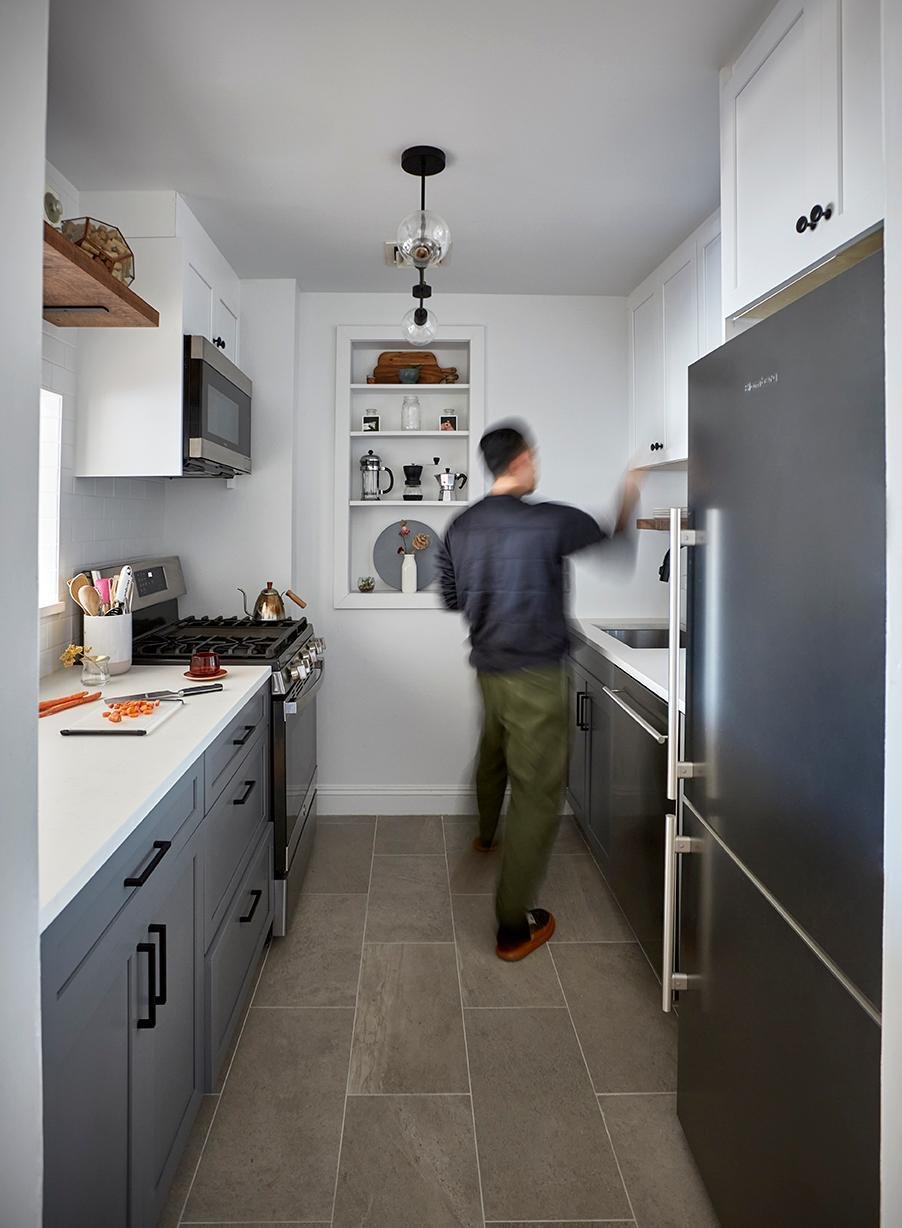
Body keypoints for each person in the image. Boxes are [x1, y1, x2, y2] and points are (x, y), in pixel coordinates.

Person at [436, 422, 641, 961]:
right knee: (538, 793)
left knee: (494, 751)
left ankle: (484, 835)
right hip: (537, 675)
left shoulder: (459, 526)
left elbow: (452, 598)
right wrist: (632, 489)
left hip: (488, 666)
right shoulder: (550, 521)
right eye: (536, 457)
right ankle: (512, 926)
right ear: (523, 459)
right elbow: (614, 542)